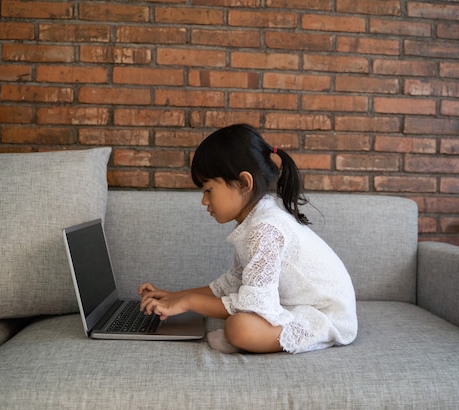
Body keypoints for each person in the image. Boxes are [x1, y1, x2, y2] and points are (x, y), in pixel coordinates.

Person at [139, 124, 357, 354]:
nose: (204, 201)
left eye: (208, 190)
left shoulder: (265, 228)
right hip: (299, 306)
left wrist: (188, 303)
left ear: (244, 183)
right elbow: (232, 283)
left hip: (325, 315)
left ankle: (246, 340)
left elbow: (255, 305)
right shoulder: (252, 222)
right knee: (239, 321)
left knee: (240, 327)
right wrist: (175, 296)